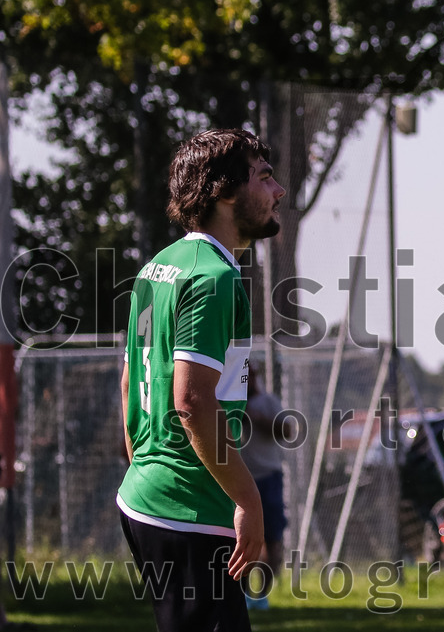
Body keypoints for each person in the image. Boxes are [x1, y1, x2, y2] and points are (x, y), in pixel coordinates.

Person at [118, 128, 286, 632]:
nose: (277, 190)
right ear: (226, 191)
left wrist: (148, 468)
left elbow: (130, 383)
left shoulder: (158, 267)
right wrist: (247, 500)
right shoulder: (214, 276)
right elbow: (191, 401)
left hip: (151, 496)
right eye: (264, 176)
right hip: (187, 508)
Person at [239, 363, 293, 610]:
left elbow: (286, 430)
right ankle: (243, 594)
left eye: (249, 375)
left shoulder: (268, 402)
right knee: (239, 539)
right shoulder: (227, 403)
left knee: (271, 538)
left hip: (268, 478)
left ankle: (262, 596)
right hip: (238, 480)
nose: (246, 379)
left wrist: (254, 417)